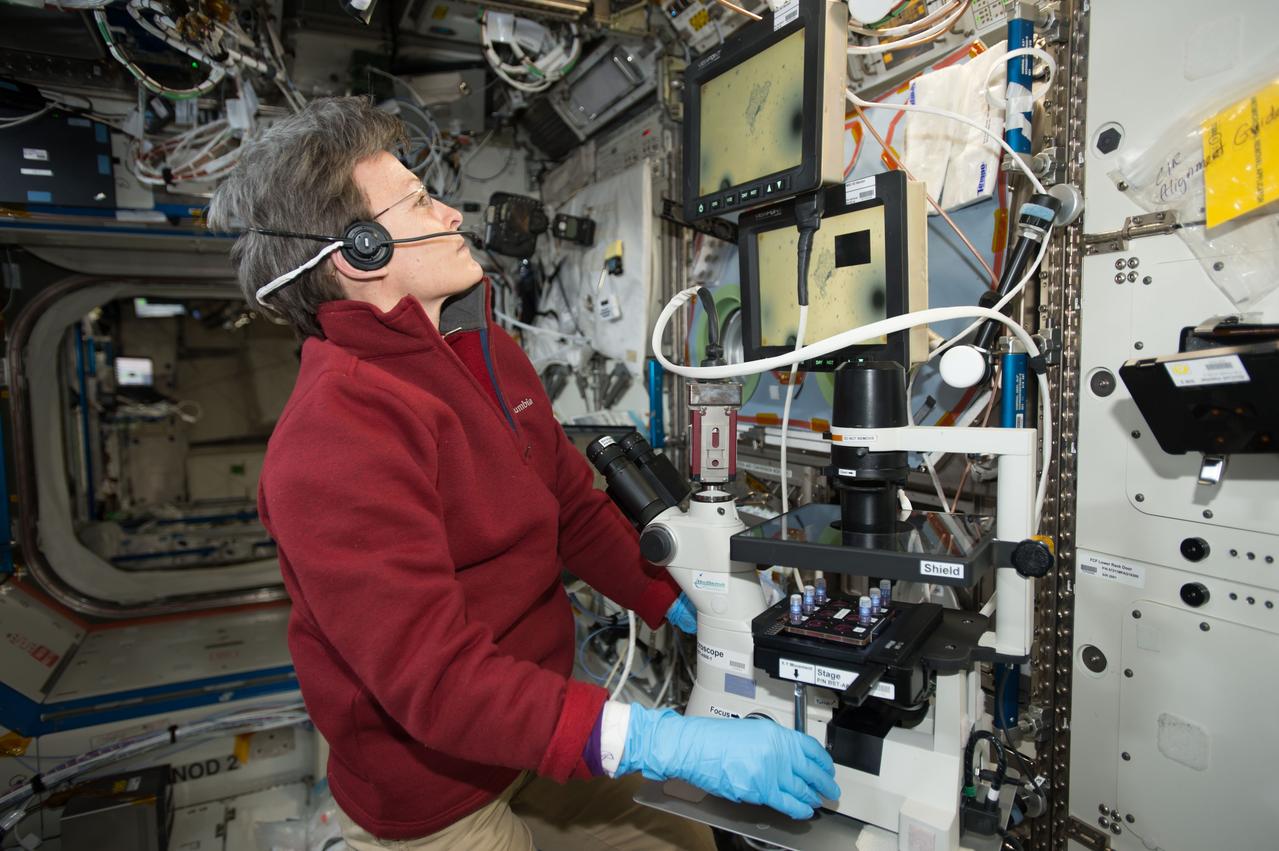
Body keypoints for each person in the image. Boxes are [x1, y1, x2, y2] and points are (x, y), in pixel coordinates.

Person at [208, 96, 839, 851]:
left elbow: (569, 506)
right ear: (360, 251)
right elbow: (438, 685)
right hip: (435, 792)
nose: (449, 212)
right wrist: (668, 743)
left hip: (530, 727)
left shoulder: (482, 352)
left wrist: (671, 599)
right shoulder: (332, 441)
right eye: (418, 201)